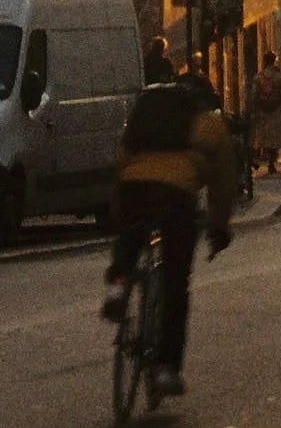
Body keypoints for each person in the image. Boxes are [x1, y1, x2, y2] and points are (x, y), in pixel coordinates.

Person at [101, 67, 236, 391]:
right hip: (177, 196)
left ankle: (118, 284)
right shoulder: (210, 123)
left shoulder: (148, 116)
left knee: (131, 236)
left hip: (136, 187)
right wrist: (219, 226)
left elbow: (122, 160)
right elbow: (224, 182)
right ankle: (165, 368)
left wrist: (118, 208)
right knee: (175, 281)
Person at [250, 51, 281, 176]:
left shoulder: (258, 77)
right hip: (276, 109)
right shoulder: (279, 77)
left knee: (264, 135)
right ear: (274, 61)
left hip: (262, 110)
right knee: (275, 136)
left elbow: (253, 95)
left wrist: (253, 108)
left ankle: (267, 159)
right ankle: (272, 161)